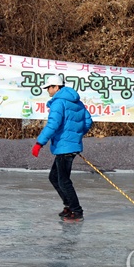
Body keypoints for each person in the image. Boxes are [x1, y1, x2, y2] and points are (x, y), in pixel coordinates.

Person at [31, 74, 93, 222]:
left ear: (57, 87)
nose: (48, 91)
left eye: (49, 88)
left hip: (65, 147)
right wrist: (76, 135)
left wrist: (39, 143)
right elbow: (88, 121)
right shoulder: (76, 102)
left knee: (63, 180)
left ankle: (76, 211)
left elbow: (53, 125)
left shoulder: (59, 103)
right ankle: (69, 206)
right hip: (68, 146)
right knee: (54, 177)